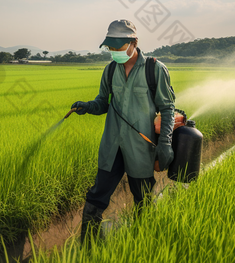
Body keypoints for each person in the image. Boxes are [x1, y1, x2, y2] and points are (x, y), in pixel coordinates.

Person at [71, 19, 176, 243]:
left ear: (133, 42)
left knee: (143, 199)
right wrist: (89, 107)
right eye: (110, 47)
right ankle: (89, 249)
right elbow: (103, 103)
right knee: (96, 196)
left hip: (141, 148)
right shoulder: (110, 70)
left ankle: (142, 245)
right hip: (112, 146)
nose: (113, 52)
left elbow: (167, 109)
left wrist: (165, 142)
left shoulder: (154, 69)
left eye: (118, 47)